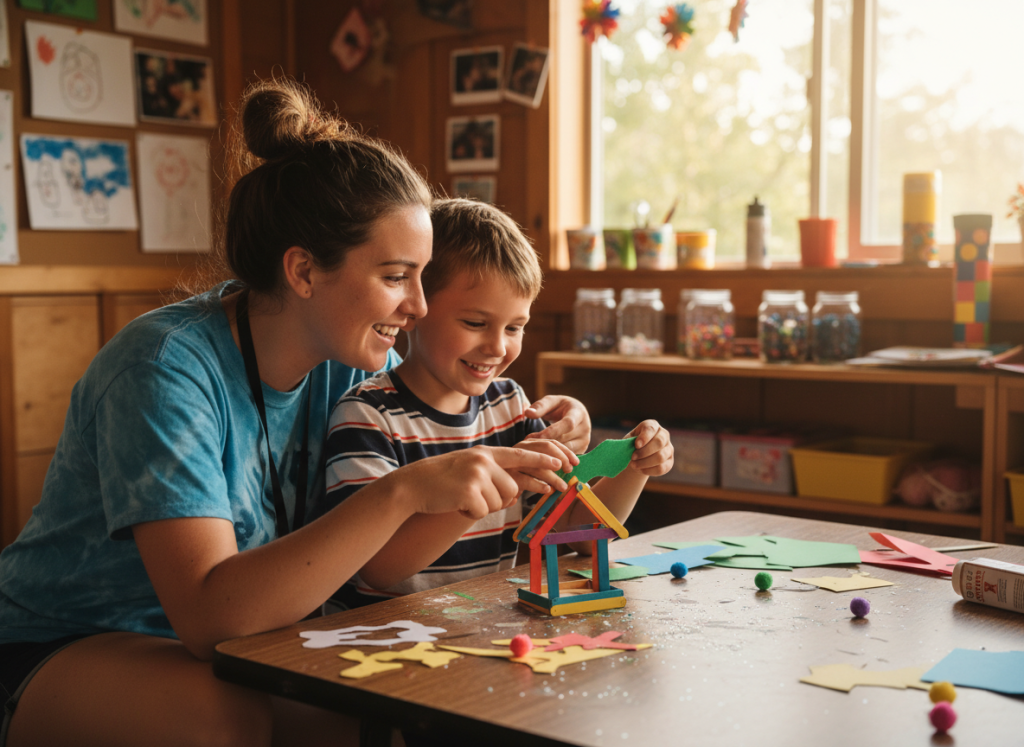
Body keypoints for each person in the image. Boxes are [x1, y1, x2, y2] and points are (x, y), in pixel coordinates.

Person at [0, 80, 591, 747]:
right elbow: (207, 619)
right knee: (223, 719)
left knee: (393, 709)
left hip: (256, 638)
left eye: (423, 277)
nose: (420, 305)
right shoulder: (163, 368)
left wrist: (536, 418)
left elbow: (444, 413)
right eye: (397, 275)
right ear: (304, 271)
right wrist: (397, 494)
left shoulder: (355, 354)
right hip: (70, 641)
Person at [321, 198, 674, 611]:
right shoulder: (366, 416)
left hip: (473, 632)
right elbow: (376, 569)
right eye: (475, 323)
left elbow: (575, 534)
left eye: (515, 327)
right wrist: (481, 490)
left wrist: (633, 466)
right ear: (415, 309)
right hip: (375, 643)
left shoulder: (510, 404)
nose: (497, 346)